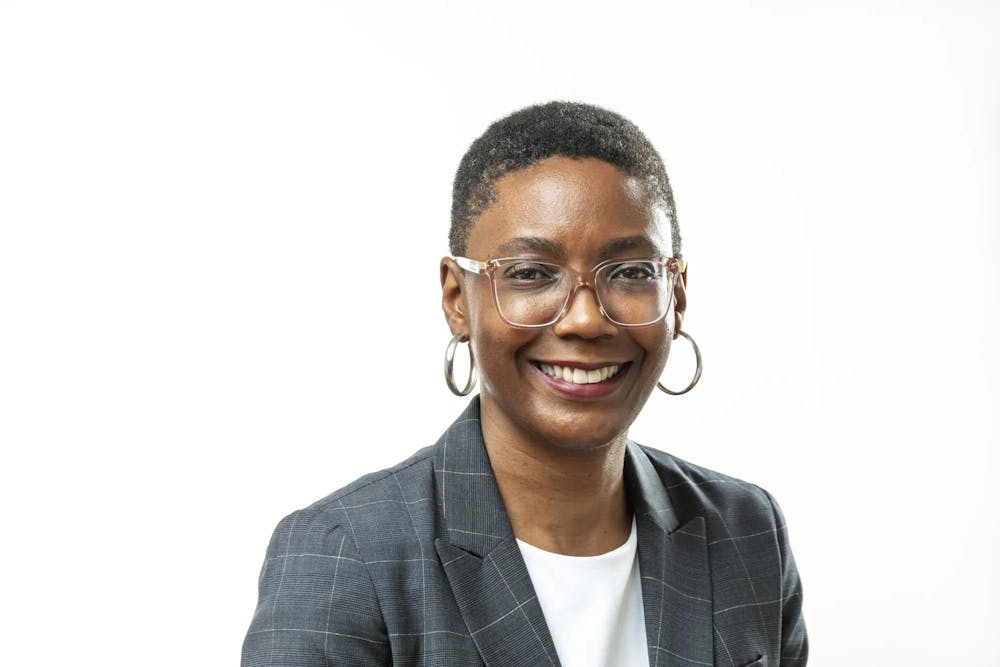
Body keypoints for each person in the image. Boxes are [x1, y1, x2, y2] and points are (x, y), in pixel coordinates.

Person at [241, 101, 808, 666]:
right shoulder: (347, 553)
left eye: (632, 272)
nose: (585, 319)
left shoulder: (744, 530)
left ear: (676, 296)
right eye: (530, 273)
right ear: (457, 300)